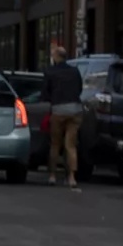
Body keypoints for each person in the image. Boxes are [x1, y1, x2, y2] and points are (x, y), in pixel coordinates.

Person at [42, 44, 84, 188]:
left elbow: (45, 93)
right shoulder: (74, 71)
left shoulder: (50, 72)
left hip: (58, 110)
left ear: (56, 57)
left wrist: (52, 101)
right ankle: (72, 177)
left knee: (55, 144)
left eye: (53, 55)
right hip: (75, 110)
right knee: (71, 145)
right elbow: (80, 88)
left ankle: (53, 176)